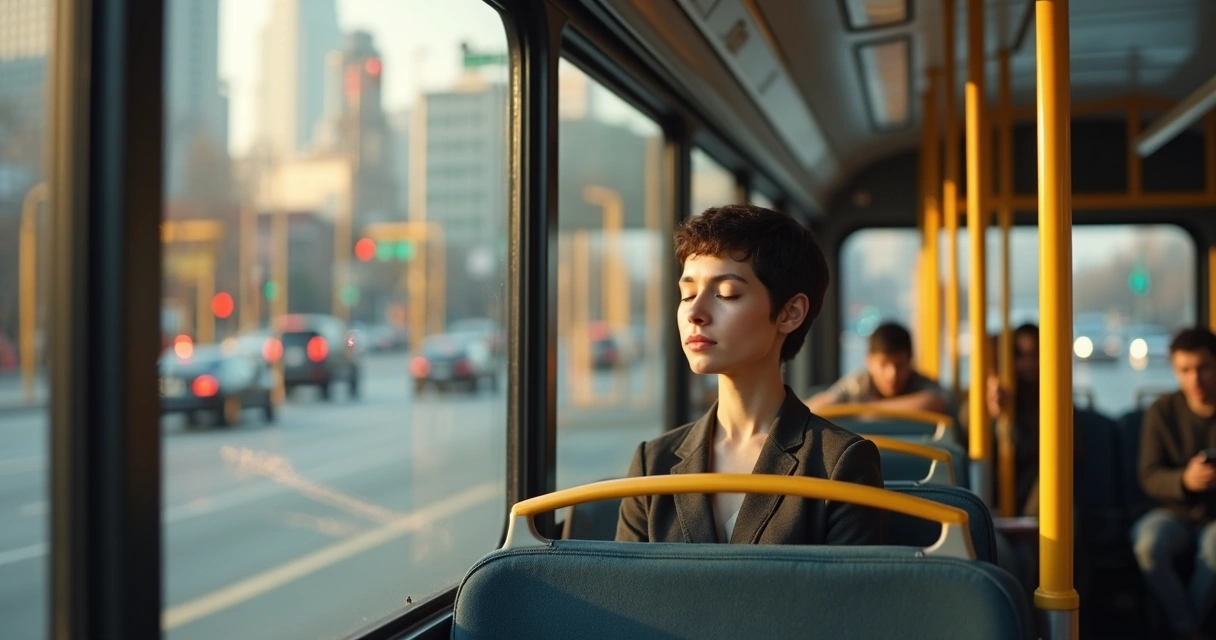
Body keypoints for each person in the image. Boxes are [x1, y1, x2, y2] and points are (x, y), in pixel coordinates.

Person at [616, 203, 885, 545]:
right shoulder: (652, 462)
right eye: (687, 294)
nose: (695, 312)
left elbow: (844, 598)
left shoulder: (839, 463)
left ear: (790, 313)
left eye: (726, 294)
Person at [1133, 327, 1216, 640]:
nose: (1195, 380)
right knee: (1148, 544)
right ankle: (1189, 628)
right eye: (1185, 370)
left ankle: (1185, 629)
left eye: (1203, 368)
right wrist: (1185, 480)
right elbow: (1149, 475)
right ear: (1174, 371)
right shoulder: (1162, 412)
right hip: (1173, 511)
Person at [805, 322, 948, 414]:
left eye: (900, 365)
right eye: (883, 364)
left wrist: (861, 410)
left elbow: (935, 402)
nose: (892, 374)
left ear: (910, 362)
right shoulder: (857, 384)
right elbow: (819, 406)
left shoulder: (920, 383)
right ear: (869, 362)